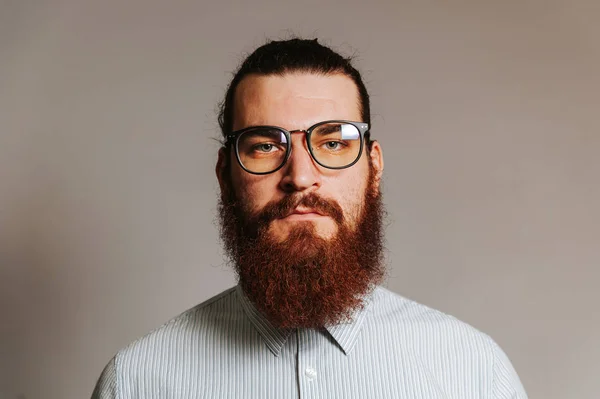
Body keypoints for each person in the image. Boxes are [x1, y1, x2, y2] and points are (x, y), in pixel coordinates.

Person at [92, 38, 528, 398]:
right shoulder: (137, 383)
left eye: (333, 143)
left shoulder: (474, 374)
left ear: (373, 167)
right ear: (225, 175)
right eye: (265, 146)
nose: (300, 177)